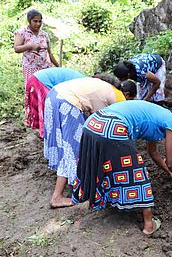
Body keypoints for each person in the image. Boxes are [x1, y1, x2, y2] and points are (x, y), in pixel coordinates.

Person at [72, 100, 172, 235]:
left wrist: (169, 172)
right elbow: (171, 161)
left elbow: (153, 152)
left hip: (92, 123)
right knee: (137, 173)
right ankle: (149, 225)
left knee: (103, 165)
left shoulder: (155, 114)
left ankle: (96, 199)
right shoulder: (171, 120)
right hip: (112, 127)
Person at [44, 77, 136, 208]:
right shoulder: (120, 97)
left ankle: (73, 183)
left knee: (66, 147)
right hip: (67, 102)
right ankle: (59, 196)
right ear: (127, 95)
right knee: (75, 149)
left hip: (53, 96)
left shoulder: (105, 88)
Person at [24, 67, 86, 138]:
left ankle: (44, 133)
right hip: (42, 82)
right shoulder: (86, 85)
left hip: (35, 78)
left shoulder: (84, 80)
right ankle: (48, 135)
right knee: (49, 110)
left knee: (43, 109)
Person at [14, 9, 59, 86]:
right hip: (31, 68)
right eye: (35, 21)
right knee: (32, 90)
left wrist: (58, 66)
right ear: (29, 21)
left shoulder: (44, 34)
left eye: (40, 21)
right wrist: (30, 46)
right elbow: (16, 48)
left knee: (45, 89)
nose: (38, 24)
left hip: (45, 67)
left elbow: (49, 53)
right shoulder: (22, 32)